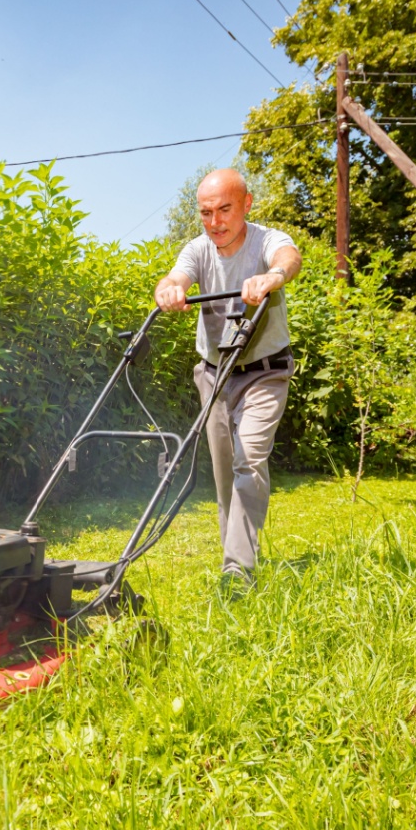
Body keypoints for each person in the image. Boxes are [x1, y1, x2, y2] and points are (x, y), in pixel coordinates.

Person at [154, 169, 300, 587]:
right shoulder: (198, 249)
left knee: (248, 460)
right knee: (224, 477)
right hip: (214, 376)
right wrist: (169, 290)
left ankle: (238, 571)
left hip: (265, 373)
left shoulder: (266, 239)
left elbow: (289, 258)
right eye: (206, 213)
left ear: (247, 204)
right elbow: (176, 276)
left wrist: (273, 276)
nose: (215, 221)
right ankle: (233, 561)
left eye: (224, 210)